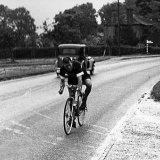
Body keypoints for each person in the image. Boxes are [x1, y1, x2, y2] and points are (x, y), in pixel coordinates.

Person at [58, 57, 92, 127]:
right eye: (66, 66)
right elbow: (62, 81)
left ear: (71, 62)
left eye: (69, 65)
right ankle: (72, 119)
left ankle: (84, 99)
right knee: (71, 98)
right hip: (72, 79)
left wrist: (79, 88)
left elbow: (79, 80)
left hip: (82, 77)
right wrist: (61, 88)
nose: (68, 67)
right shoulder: (62, 69)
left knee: (89, 85)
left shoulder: (77, 64)